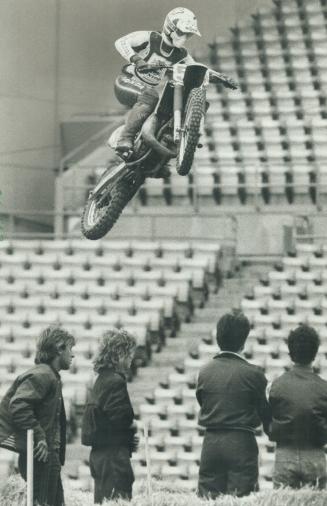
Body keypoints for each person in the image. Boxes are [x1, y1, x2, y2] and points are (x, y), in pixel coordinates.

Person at [196, 309, 271, 498]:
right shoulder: (254, 374)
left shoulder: (204, 372)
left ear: (218, 338)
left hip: (211, 441)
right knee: (241, 499)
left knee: (207, 499)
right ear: (244, 342)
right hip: (241, 441)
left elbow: (202, 402)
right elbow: (265, 413)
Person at [0, 326, 75, 506]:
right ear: (59, 348)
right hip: (41, 456)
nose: (72, 355)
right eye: (70, 349)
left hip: (46, 455)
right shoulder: (43, 375)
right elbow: (18, 405)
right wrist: (39, 436)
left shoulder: (50, 375)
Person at [113, 7, 201, 157]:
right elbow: (121, 42)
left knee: (162, 110)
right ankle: (124, 139)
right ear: (170, 28)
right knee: (151, 96)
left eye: (188, 35)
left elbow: (197, 68)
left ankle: (155, 156)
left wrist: (219, 76)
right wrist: (137, 60)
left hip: (145, 90)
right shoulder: (150, 38)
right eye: (181, 33)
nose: (184, 38)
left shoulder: (181, 54)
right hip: (127, 81)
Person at [81, 328, 138, 504]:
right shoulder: (115, 381)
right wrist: (131, 432)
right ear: (119, 354)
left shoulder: (100, 380)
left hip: (101, 456)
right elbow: (122, 421)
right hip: (113, 459)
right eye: (129, 354)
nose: (131, 359)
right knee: (117, 499)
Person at [269, 324, 327, 489]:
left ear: (290, 353)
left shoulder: (277, 385)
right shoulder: (324, 388)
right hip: (315, 455)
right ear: (315, 354)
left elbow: (267, 418)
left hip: (285, 453)